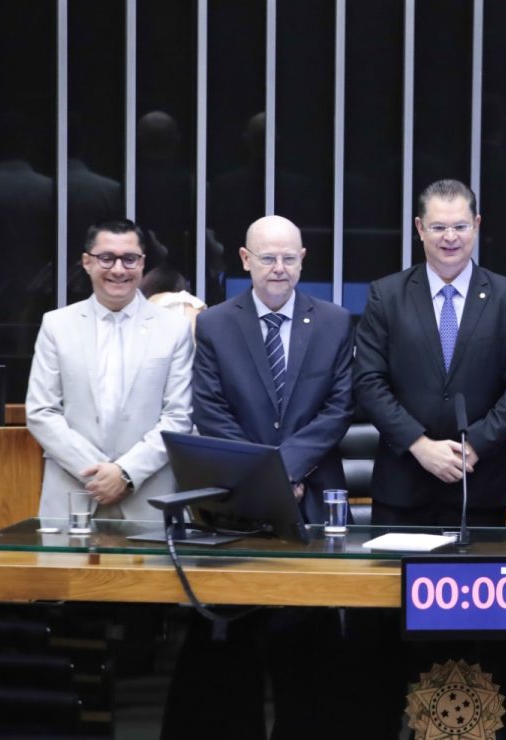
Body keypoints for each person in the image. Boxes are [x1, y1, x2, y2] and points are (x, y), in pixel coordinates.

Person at [162, 214, 355, 739]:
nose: (279, 268)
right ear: (245, 260)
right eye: (267, 257)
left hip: (310, 500)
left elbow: (338, 410)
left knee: (307, 649)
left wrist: (287, 471)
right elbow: (211, 410)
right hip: (238, 502)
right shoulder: (217, 324)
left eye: (289, 258)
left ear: (303, 259)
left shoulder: (336, 321)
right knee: (233, 648)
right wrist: (267, 480)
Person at [354, 178, 506, 527]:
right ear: (420, 229)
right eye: (439, 227)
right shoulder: (387, 295)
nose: (450, 237)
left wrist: (474, 444)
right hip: (403, 485)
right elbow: (368, 381)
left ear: (477, 225)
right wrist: (420, 445)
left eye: (460, 226)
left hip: (478, 482)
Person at [26, 218, 193, 521]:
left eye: (129, 259)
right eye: (107, 258)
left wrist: (126, 473)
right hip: (73, 495)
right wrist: (98, 474)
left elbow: (179, 416)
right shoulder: (56, 325)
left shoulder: (174, 329)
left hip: (149, 499)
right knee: (63, 570)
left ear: (143, 264)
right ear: (87, 262)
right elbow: (41, 411)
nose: (118, 269)